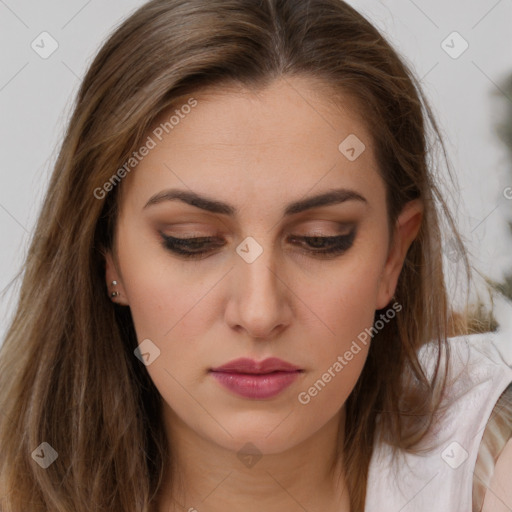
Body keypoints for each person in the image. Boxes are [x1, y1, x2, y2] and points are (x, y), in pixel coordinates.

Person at [0, 1, 510, 511]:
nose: (260, 313)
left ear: (393, 256)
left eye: (321, 238)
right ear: (108, 258)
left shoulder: (479, 467)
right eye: (191, 240)